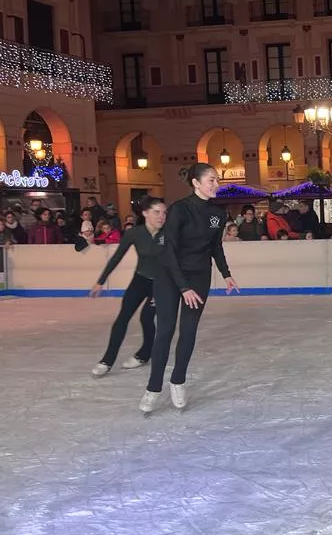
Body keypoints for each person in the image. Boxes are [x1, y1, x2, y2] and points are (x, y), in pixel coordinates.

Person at [144, 163, 238, 413]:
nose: (216, 184)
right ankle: (153, 388)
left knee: (188, 331)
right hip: (170, 276)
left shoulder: (218, 213)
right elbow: (169, 249)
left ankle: (178, 381)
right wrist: (183, 287)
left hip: (199, 276)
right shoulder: (179, 209)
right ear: (196, 183)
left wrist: (226, 274)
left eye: (217, 180)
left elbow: (216, 247)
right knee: (165, 331)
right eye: (211, 180)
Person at [89, 197, 168, 378]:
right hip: (139, 281)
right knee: (123, 318)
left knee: (146, 317)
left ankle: (144, 354)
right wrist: (101, 281)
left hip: (161, 284)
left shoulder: (170, 233)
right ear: (145, 213)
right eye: (156, 212)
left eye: (164, 213)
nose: (161, 216)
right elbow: (117, 257)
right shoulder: (134, 233)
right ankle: (107, 360)